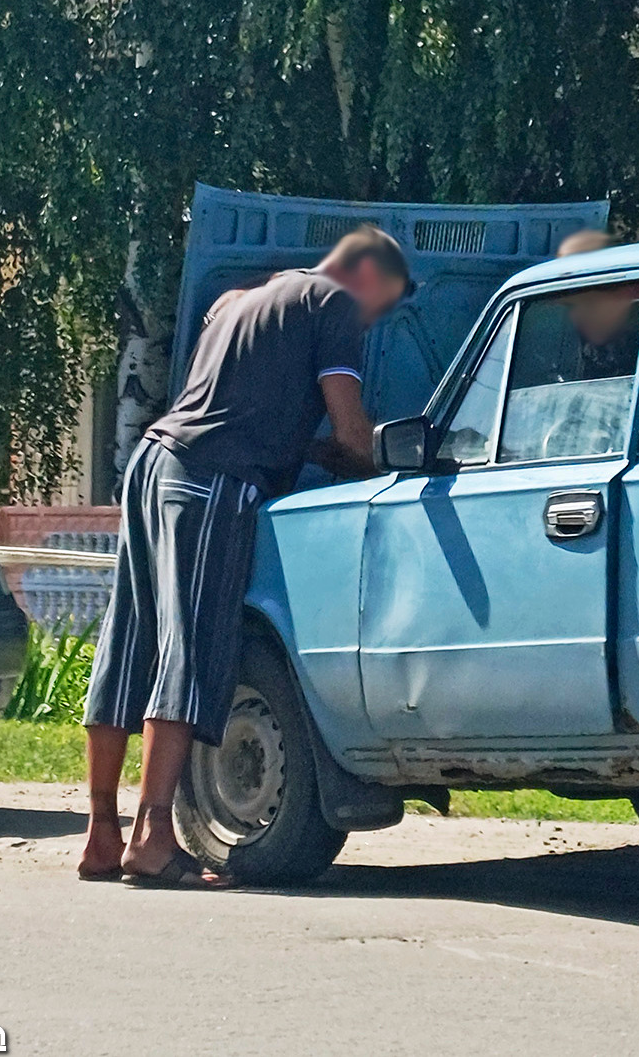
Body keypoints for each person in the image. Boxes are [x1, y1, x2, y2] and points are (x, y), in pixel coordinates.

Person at [78, 226, 412, 887]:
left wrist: (307, 452)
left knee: (131, 645)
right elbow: (350, 428)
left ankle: (99, 834)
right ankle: (152, 835)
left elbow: (237, 405)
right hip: (213, 482)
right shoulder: (333, 303)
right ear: (367, 276)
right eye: (383, 306)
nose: (372, 322)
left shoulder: (241, 300)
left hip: (155, 464)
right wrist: (388, 458)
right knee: (192, 647)